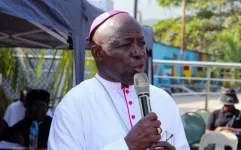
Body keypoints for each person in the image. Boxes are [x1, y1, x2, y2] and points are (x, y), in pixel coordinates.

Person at [48, 10, 189, 150]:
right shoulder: (74, 104)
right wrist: (127, 146)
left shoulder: (163, 99)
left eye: (141, 43)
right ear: (98, 53)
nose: (139, 53)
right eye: (126, 45)